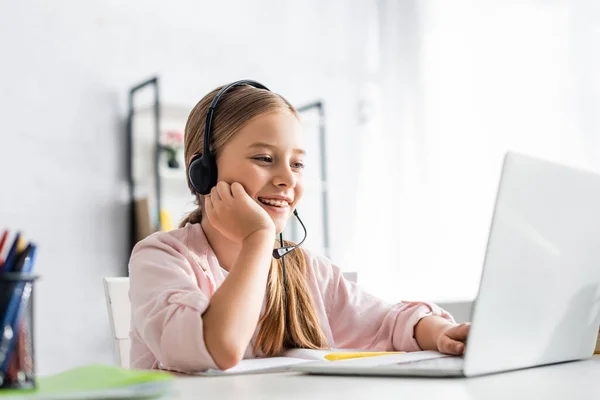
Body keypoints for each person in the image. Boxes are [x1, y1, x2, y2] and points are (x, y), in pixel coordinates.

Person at [128, 80, 470, 372]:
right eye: (264, 159)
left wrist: (439, 332)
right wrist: (258, 239)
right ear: (204, 171)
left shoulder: (306, 271)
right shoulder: (160, 259)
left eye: (298, 163)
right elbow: (219, 347)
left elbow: (388, 322)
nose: (287, 179)